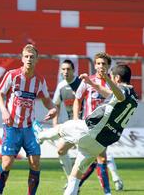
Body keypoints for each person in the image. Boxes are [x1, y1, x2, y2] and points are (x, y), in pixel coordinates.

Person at [38, 64, 138, 195]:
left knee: (63, 128)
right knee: (76, 174)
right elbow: (113, 95)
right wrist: (92, 83)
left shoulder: (122, 90)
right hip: (100, 143)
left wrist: (106, 79)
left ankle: (39, 135)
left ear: (117, 78)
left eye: (112, 77)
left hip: (92, 129)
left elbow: (119, 95)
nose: (110, 80)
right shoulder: (133, 97)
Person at [0, 44, 57, 195]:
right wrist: (4, 111)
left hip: (29, 129)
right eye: (26, 56)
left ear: (36, 60)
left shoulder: (40, 80)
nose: (29, 59)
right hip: (11, 127)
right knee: (7, 163)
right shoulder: (12, 75)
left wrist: (53, 109)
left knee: (35, 163)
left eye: (32, 57)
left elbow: (47, 100)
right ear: (22, 59)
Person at [73, 52, 123, 193]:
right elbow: (78, 99)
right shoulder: (87, 81)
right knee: (90, 159)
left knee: (99, 157)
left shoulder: (112, 84)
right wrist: (76, 118)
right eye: (99, 63)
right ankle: (78, 186)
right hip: (88, 125)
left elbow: (117, 98)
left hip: (104, 127)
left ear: (108, 66)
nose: (101, 66)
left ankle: (103, 190)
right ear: (95, 65)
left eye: (104, 64)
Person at [51, 59, 82, 184]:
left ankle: (115, 177)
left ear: (74, 70)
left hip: (85, 126)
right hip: (72, 126)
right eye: (63, 69)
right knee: (61, 150)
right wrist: (55, 122)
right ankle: (71, 180)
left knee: (98, 155)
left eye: (68, 69)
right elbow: (56, 105)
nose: (65, 71)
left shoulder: (81, 84)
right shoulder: (61, 86)